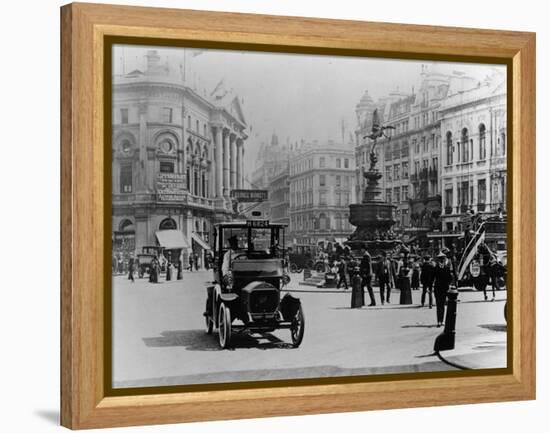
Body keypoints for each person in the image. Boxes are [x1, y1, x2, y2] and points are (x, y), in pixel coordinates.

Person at [433, 251, 454, 327]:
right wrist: (448, 284)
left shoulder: (435, 268)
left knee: (440, 305)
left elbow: (432, 278)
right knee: (440, 305)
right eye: (442, 259)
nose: (442, 260)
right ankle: (440, 321)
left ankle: (440, 320)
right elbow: (450, 278)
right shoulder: (446, 268)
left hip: (439, 288)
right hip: (442, 288)